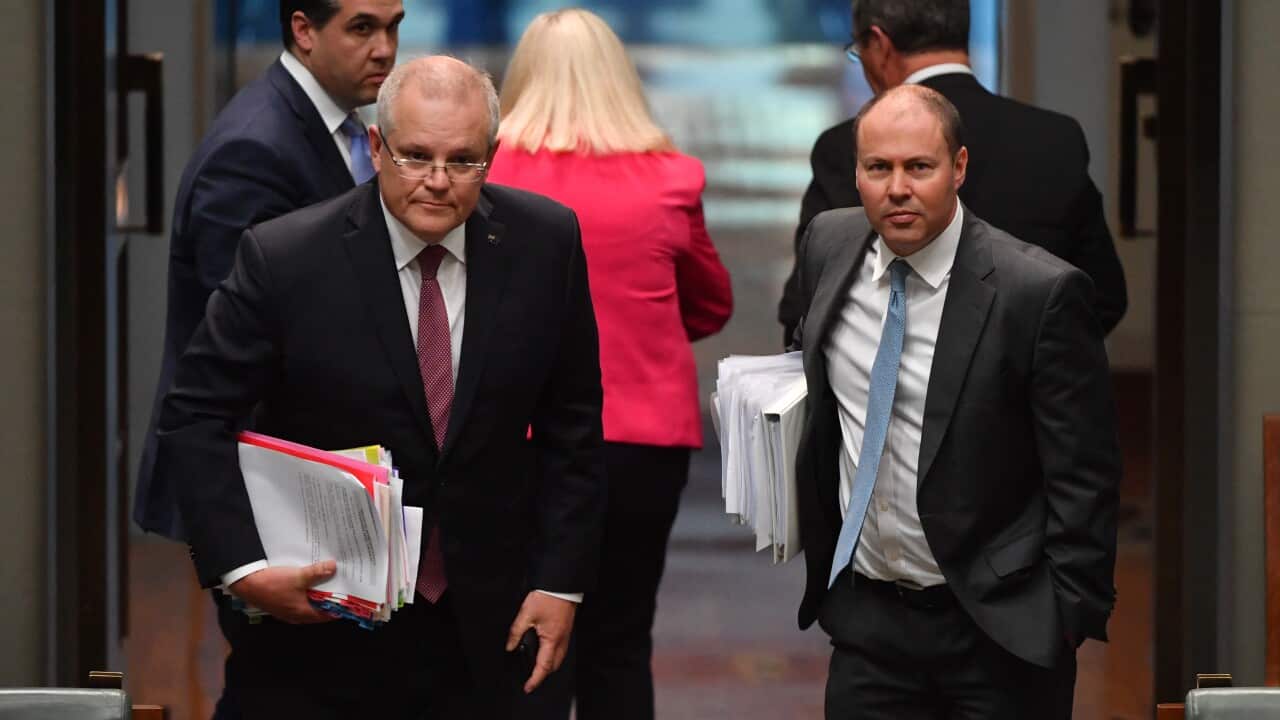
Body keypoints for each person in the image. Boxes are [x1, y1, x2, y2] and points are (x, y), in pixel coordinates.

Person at [153, 55, 607, 718]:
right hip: (321, 627)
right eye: (416, 156)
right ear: (375, 146)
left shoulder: (545, 243)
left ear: (493, 155)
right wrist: (243, 569)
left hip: (491, 628)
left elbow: (574, 424)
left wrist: (560, 583)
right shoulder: (285, 258)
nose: (437, 182)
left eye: (463, 161)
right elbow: (194, 417)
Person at [789, 84, 1120, 719]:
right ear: (855, 173)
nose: (897, 189)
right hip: (868, 624)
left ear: (959, 168)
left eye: (919, 167)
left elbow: (1085, 472)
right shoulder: (828, 245)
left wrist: (1066, 615)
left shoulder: (1037, 292)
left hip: (998, 631)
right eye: (878, 168)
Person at [485, 9, 733, 720]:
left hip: (521, 443)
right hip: (644, 444)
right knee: (621, 640)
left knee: (527, 637)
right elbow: (710, 307)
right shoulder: (671, 180)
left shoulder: (491, 176)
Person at [134, 0, 403, 540]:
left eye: (394, 27)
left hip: (297, 473)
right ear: (303, 30)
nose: (385, 49)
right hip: (258, 485)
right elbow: (245, 343)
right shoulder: (253, 151)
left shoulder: (338, 128)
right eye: (362, 28)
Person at [778, 0, 1127, 346]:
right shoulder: (1056, 139)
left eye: (858, 50)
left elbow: (807, 311)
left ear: (880, 44)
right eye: (883, 169)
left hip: (886, 396)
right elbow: (1103, 296)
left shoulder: (847, 148)